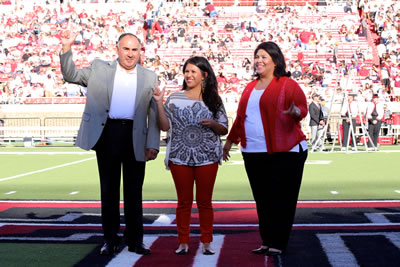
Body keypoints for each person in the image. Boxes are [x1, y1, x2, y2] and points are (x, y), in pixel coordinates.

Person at [59, 31, 160, 255]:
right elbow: (71, 75)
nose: (130, 54)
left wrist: (153, 143)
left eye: (135, 50)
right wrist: (66, 49)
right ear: (117, 49)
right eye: (126, 49)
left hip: (135, 136)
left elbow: (153, 113)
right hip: (108, 134)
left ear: (140, 51)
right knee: (109, 190)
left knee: (134, 192)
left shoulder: (150, 77)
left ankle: (135, 241)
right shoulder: (99, 68)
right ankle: (111, 239)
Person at [222, 42, 308, 256]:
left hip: (286, 150)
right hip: (253, 152)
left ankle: (278, 242)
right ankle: (267, 241)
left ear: (275, 60)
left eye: (263, 57)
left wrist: (295, 111)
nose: (258, 60)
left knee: (283, 199)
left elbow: (302, 108)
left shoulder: (287, 84)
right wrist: (230, 142)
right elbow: (241, 117)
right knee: (263, 199)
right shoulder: (250, 87)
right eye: (256, 57)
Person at [153, 56, 228, 255]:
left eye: (193, 71)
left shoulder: (214, 100)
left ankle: (206, 242)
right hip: (180, 156)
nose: (189, 75)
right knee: (183, 202)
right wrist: (159, 104)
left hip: (207, 157)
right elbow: (164, 126)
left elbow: (224, 129)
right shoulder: (175, 98)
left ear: (204, 75)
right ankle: (183, 241)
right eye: (186, 71)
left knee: (205, 202)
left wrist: (212, 124)